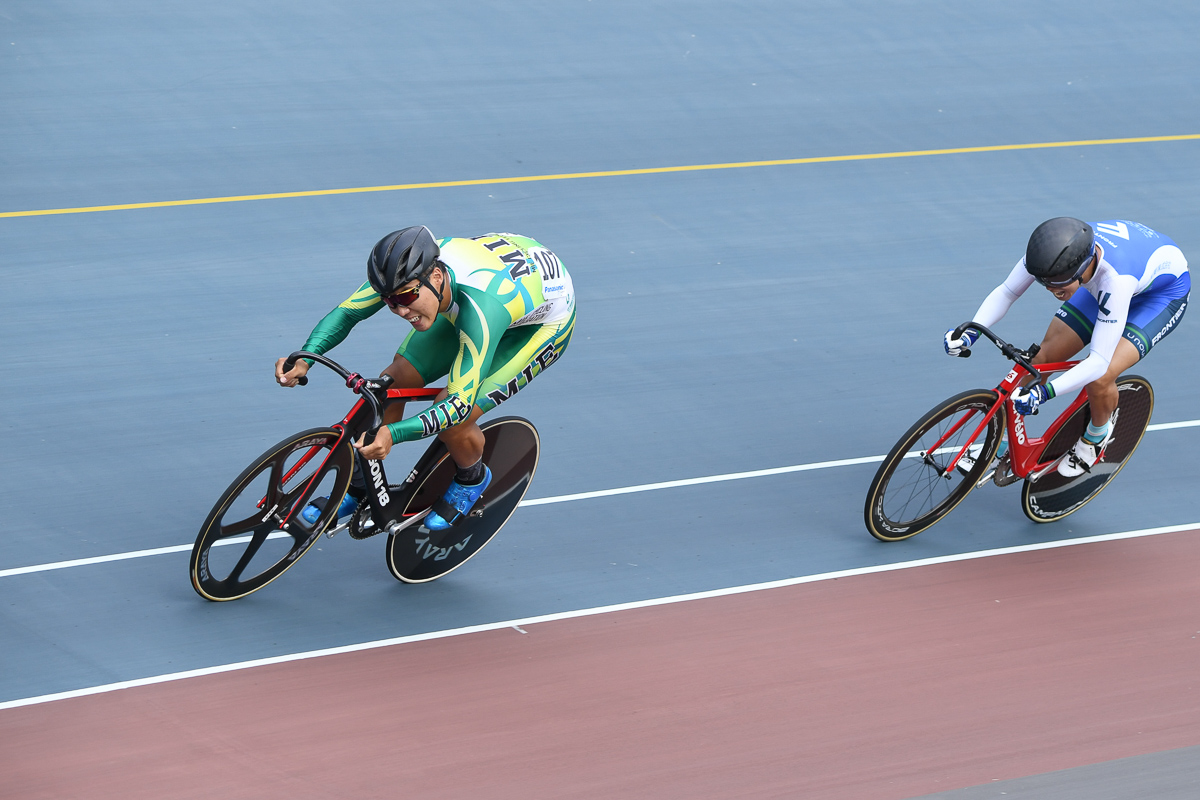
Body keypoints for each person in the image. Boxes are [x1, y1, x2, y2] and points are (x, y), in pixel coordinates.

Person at [275, 226, 575, 529]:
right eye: (390, 302)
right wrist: (305, 356)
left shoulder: (481, 309)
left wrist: (395, 433)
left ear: (436, 277)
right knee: (392, 381)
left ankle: (471, 479)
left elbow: (457, 404)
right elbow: (348, 313)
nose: (401, 310)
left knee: (455, 414)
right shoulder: (404, 275)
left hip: (541, 325)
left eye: (406, 297)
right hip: (497, 278)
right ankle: (362, 486)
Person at [944, 217, 1188, 477]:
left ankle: (1097, 436)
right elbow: (1007, 292)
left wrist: (1044, 393)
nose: (1052, 289)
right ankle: (1001, 442)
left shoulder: (1114, 281)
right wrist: (972, 330)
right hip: (1110, 273)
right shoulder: (1050, 253)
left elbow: (1098, 362)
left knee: (1101, 376)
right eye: (1045, 282)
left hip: (1159, 296)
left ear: (1083, 268)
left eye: (1058, 284)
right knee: (1042, 359)